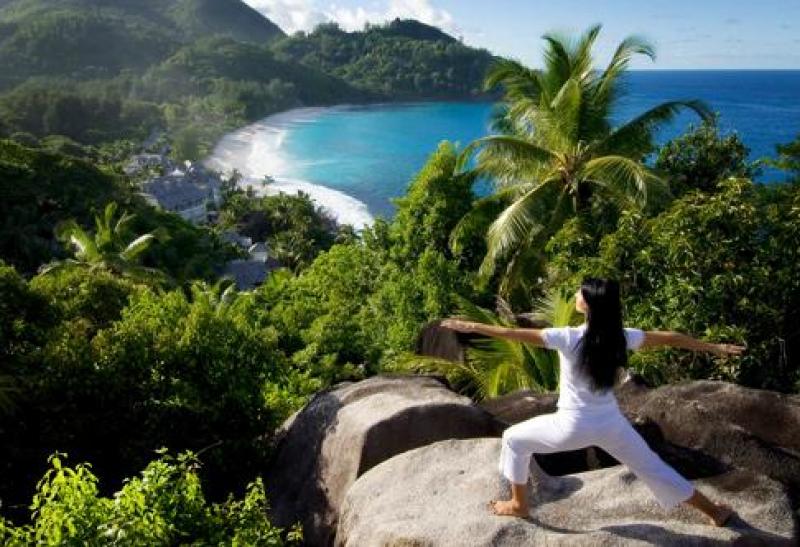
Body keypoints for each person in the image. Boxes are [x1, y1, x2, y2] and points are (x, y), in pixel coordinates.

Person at [441, 277, 745, 527]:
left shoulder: (568, 336)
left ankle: (519, 505)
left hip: (571, 425)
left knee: (513, 439)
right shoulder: (622, 336)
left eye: (580, 293)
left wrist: (474, 326)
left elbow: (513, 334)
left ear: (587, 304)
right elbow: (672, 337)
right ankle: (715, 513)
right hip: (612, 424)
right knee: (655, 468)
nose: (576, 294)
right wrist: (713, 347)